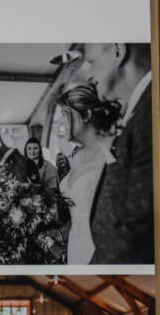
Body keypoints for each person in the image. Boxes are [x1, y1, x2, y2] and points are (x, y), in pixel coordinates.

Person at [79, 42, 154, 264]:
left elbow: (139, 231)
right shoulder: (139, 111)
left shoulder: (151, 113)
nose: (89, 76)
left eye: (91, 62)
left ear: (118, 51)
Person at [52, 83, 125, 264]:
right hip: (75, 249)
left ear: (86, 115)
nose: (61, 122)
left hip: (99, 250)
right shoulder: (76, 156)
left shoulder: (110, 153)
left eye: (65, 114)